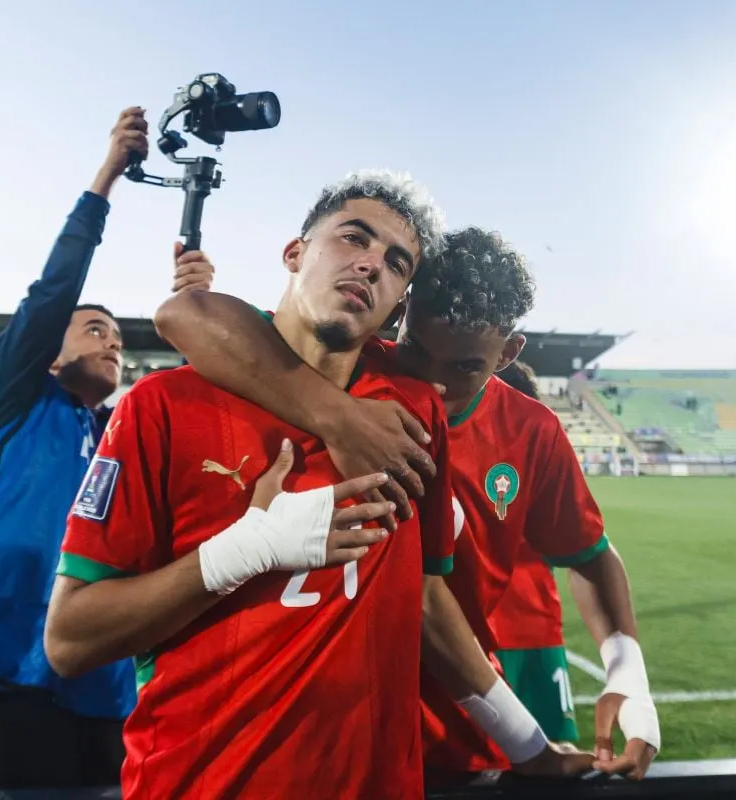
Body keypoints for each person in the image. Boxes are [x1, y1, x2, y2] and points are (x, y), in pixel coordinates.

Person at [45, 172, 590, 799]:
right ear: (295, 252)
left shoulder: (414, 414)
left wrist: (527, 746)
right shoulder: (161, 406)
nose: (369, 264)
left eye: (396, 262)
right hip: (202, 781)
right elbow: (70, 640)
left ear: (399, 306)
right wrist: (239, 554)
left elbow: (426, 600)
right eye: (353, 237)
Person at [154, 226, 660, 783]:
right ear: (400, 319)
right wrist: (334, 412)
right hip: (324, 707)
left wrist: (627, 674)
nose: (435, 386)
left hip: (464, 707)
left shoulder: (530, 430)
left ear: (509, 352)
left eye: (465, 366)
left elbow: (589, 553)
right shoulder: (348, 365)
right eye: (418, 351)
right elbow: (190, 315)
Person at [0, 107, 148, 791]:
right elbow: (51, 294)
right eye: (95, 328)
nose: (113, 341)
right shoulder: (16, 404)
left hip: (99, 684)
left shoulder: (117, 434)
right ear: (48, 357)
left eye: (117, 336)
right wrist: (107, 176)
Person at [491, 360, 582, 749]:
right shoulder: (541, 451)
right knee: (548, 760)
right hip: (529, 629)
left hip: (487, 633)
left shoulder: (537, 453)